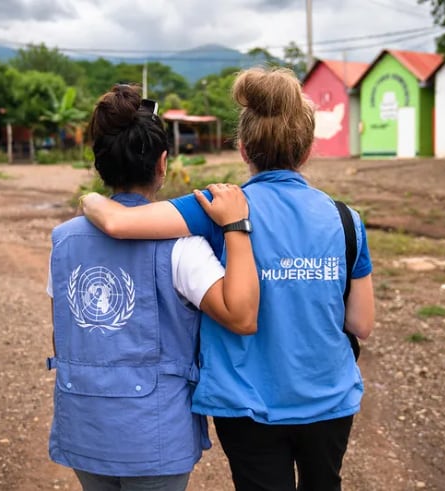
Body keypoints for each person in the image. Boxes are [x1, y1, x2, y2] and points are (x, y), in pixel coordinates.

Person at [80, 67, 375, 491]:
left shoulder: (217, 208)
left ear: (243, 149)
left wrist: (90, 199)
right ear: (307, 149)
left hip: (248, 406)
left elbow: (118, 222)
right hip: (329, 401)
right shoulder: (346, 219)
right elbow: (362, 323)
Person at [46, 84, 259, 491]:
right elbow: (241, 314)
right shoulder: (183, 247)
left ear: (100, 164)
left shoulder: (63, 241)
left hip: (82, 424)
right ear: (163, 163)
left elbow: (62, 334)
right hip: (157, 435)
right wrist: (234, 226)